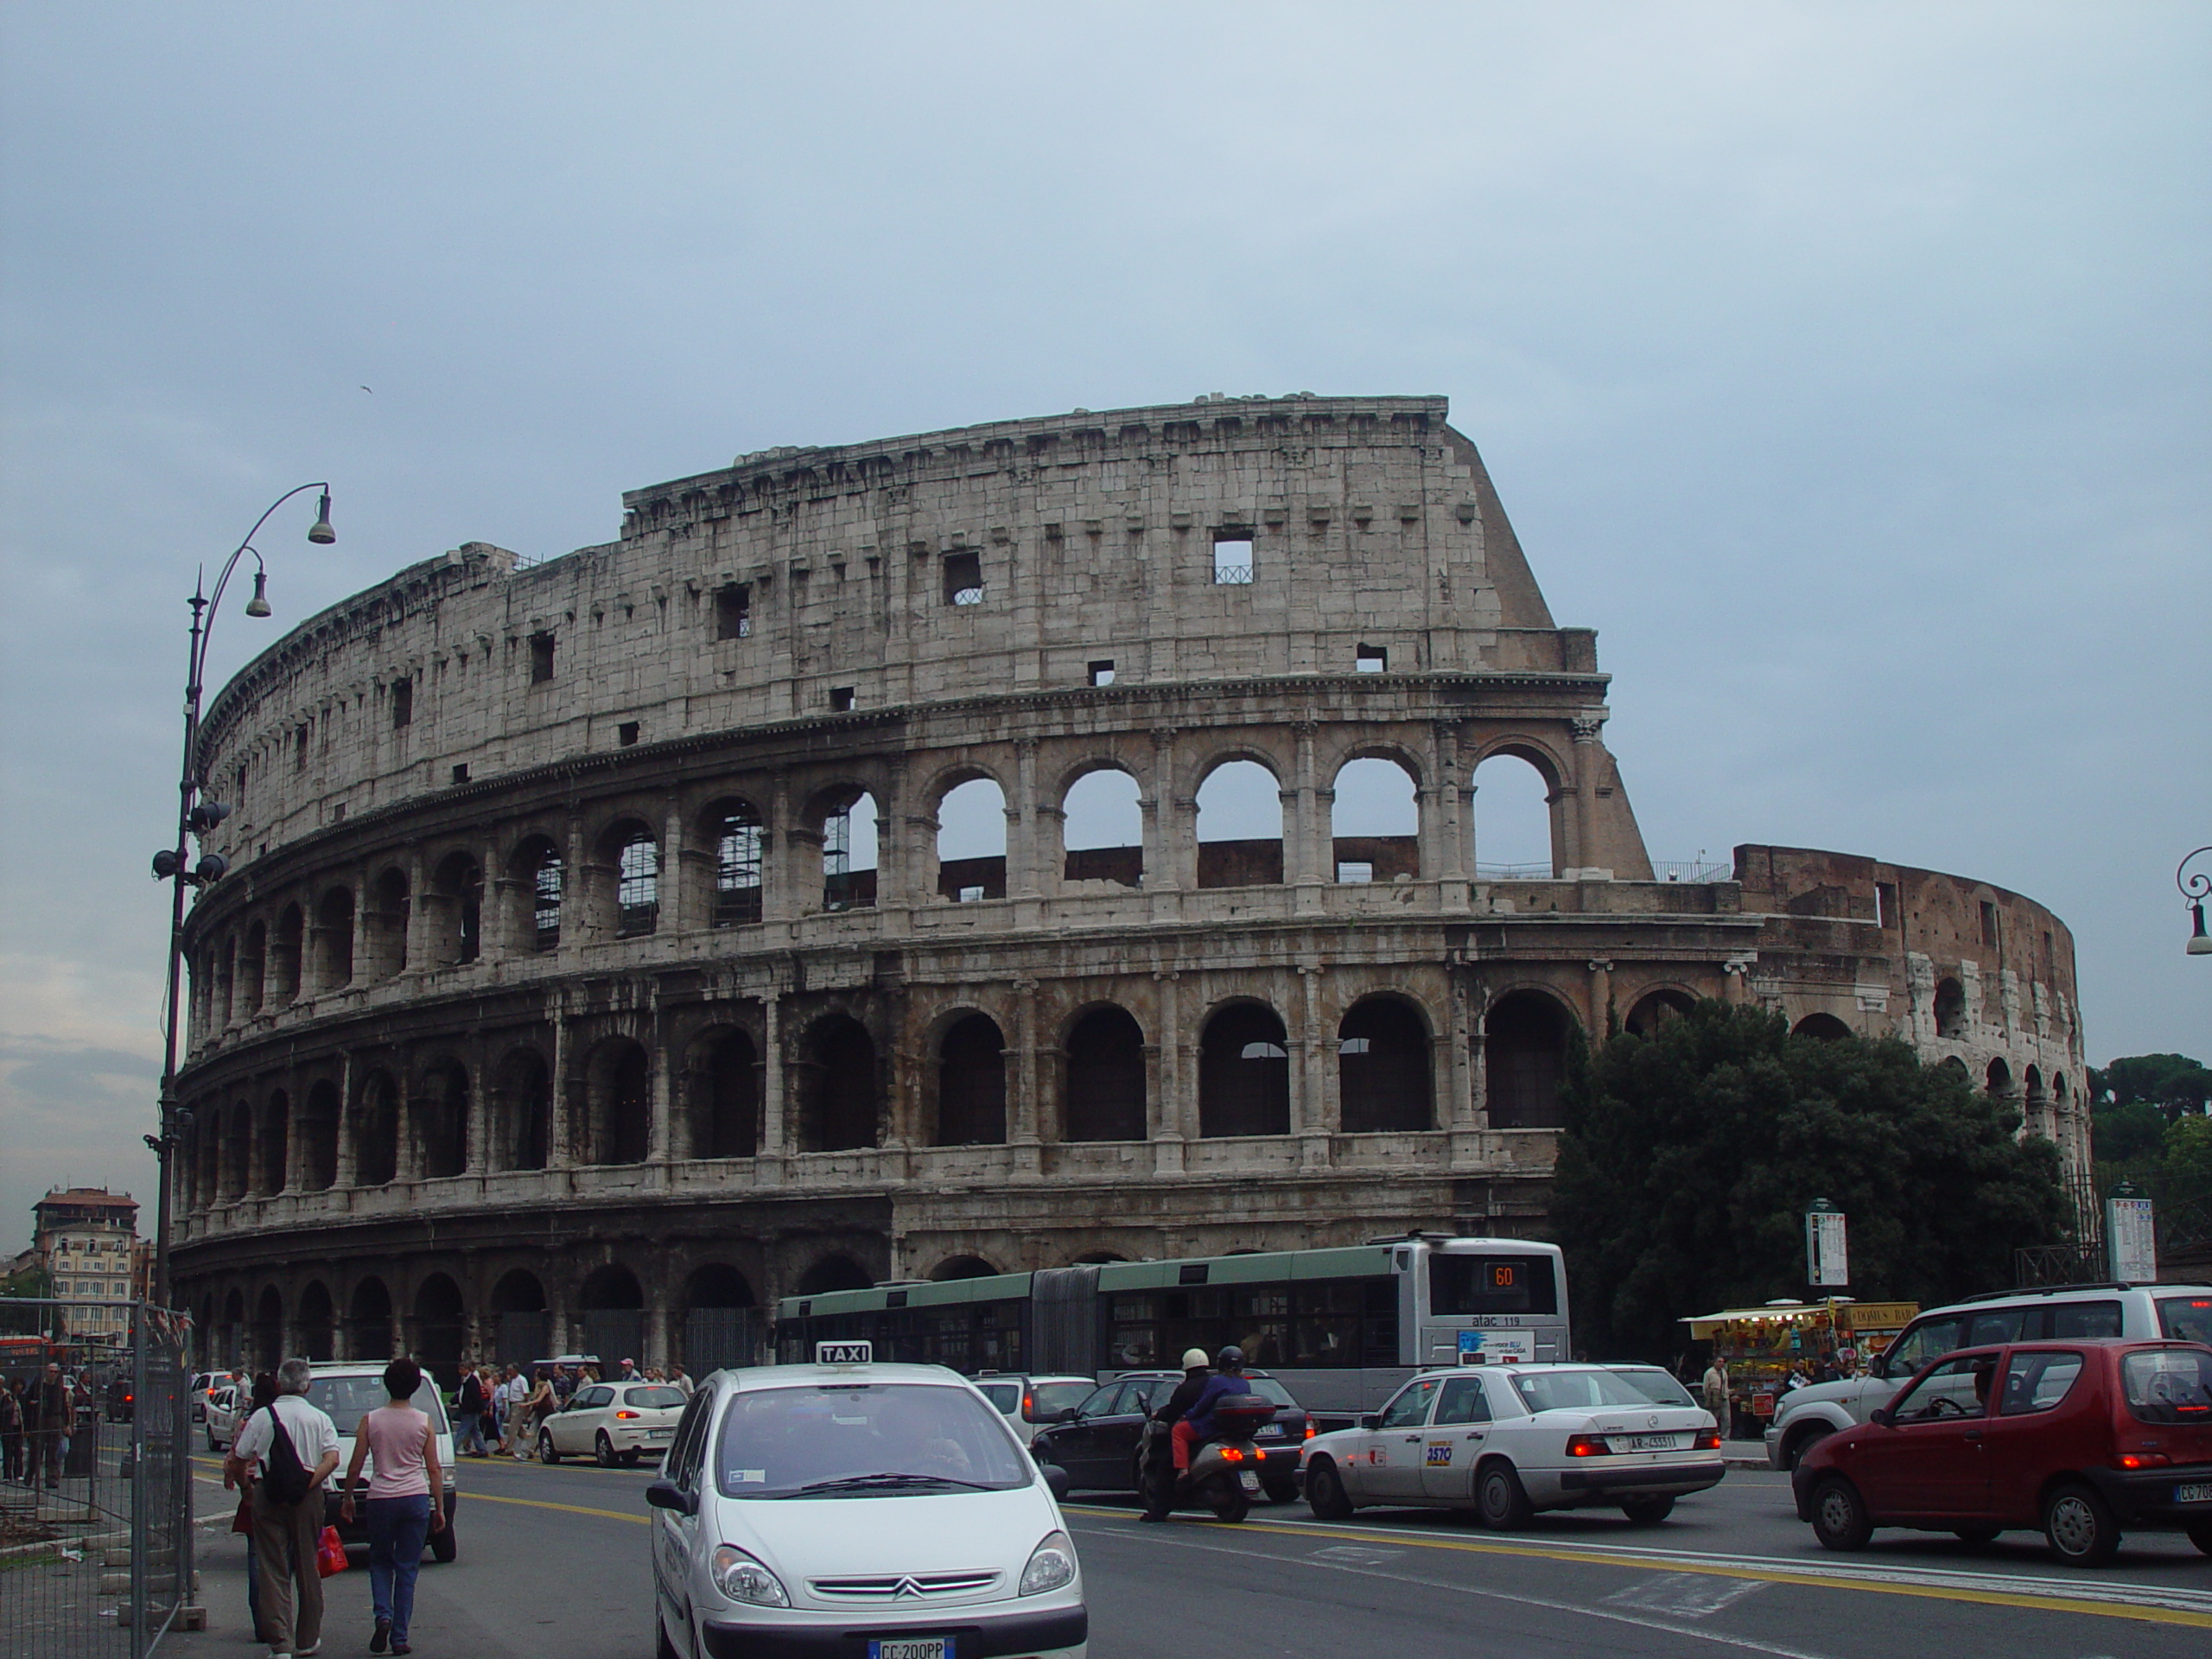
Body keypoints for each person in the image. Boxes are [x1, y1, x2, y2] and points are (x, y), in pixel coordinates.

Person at [225, 1357, 340, 1659]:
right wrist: (308, 1482)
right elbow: (332, 1459)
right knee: (307, 1566)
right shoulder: (319, 1418)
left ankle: (280, 1643)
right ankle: (307, 1638)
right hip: (309, 1496)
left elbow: (239, 1458)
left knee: (272, 1567)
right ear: (307, 1385)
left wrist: (247, 1489)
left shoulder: (263, 1416)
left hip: (268, 1493)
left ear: (279, 1384)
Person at [340, 1357, 446, 1657]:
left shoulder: (370, 1420)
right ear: (415, 1387)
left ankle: (382, 1615)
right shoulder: (423, 1421)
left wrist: (348, 1497)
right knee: (407, 1568)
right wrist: (438, 1506)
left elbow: (356, 1464)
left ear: (387, 1385)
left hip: (381, 1498)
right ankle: (400, 1637)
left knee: (380, 1561)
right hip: (414, 1497)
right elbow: (434, 1468)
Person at [1139, 1349, 1213, 1522]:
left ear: (1187, 1367)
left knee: (1165, 1466)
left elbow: (1173, 1411)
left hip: (1196, 1434)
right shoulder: (1213, 1383)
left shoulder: (1186, 1389)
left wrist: (1160, 1414)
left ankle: (1159, 1511)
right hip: (1214, 1431)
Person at [25, 1361, 69, 1490]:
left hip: (55, 1420)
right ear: (46, 1371)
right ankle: (31, 1474)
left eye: (56, 1372)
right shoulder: (38, 1386)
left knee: (53, 1452)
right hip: (40, 1421)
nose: (53, 1374)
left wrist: (66, 1424)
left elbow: (64, 1406)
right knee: (36, 1451)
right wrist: (28, 1426)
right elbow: (27, 1404)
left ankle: (52, 1478)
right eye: (51, 1371)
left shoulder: (59, 1388)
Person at [454, 1363, 488, 1458]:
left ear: (467, 1369)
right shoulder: (465, 1381)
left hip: (471, 1410)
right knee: (475, 1431)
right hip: (467, 1409)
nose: (460, 1372)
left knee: (462, 1430)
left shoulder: (472, 1381)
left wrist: (481, 1408)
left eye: (462, 1369)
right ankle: (482, 1449)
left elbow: (476, 1396)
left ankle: (453, 1448)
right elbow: (461, 1394)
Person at [0, 1376, 22, 1482]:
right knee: (7, 1451)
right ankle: (7, 1475)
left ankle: (18, 1473)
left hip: (18, 1427)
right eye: (17, 1385)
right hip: (8, 1428)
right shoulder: (7, 1398)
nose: (19, 1387)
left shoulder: (22, 1398)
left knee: (18, 1451)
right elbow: (3, 1412)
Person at [1700, 1356, 1730, 1433]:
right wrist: (1708, 1398)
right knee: (1714, 1417)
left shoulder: (1724, 1372)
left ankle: (1725, 1435)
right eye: (1719, 1362)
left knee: (1726, 1418)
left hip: (1724, 1397)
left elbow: (1725, 1384)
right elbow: (1705, 1387)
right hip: (1714, 1398)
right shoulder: (1709, 1373)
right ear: (1715, 1363)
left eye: (1723, 1362)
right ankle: (1712, 1433)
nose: (1721, 1363)